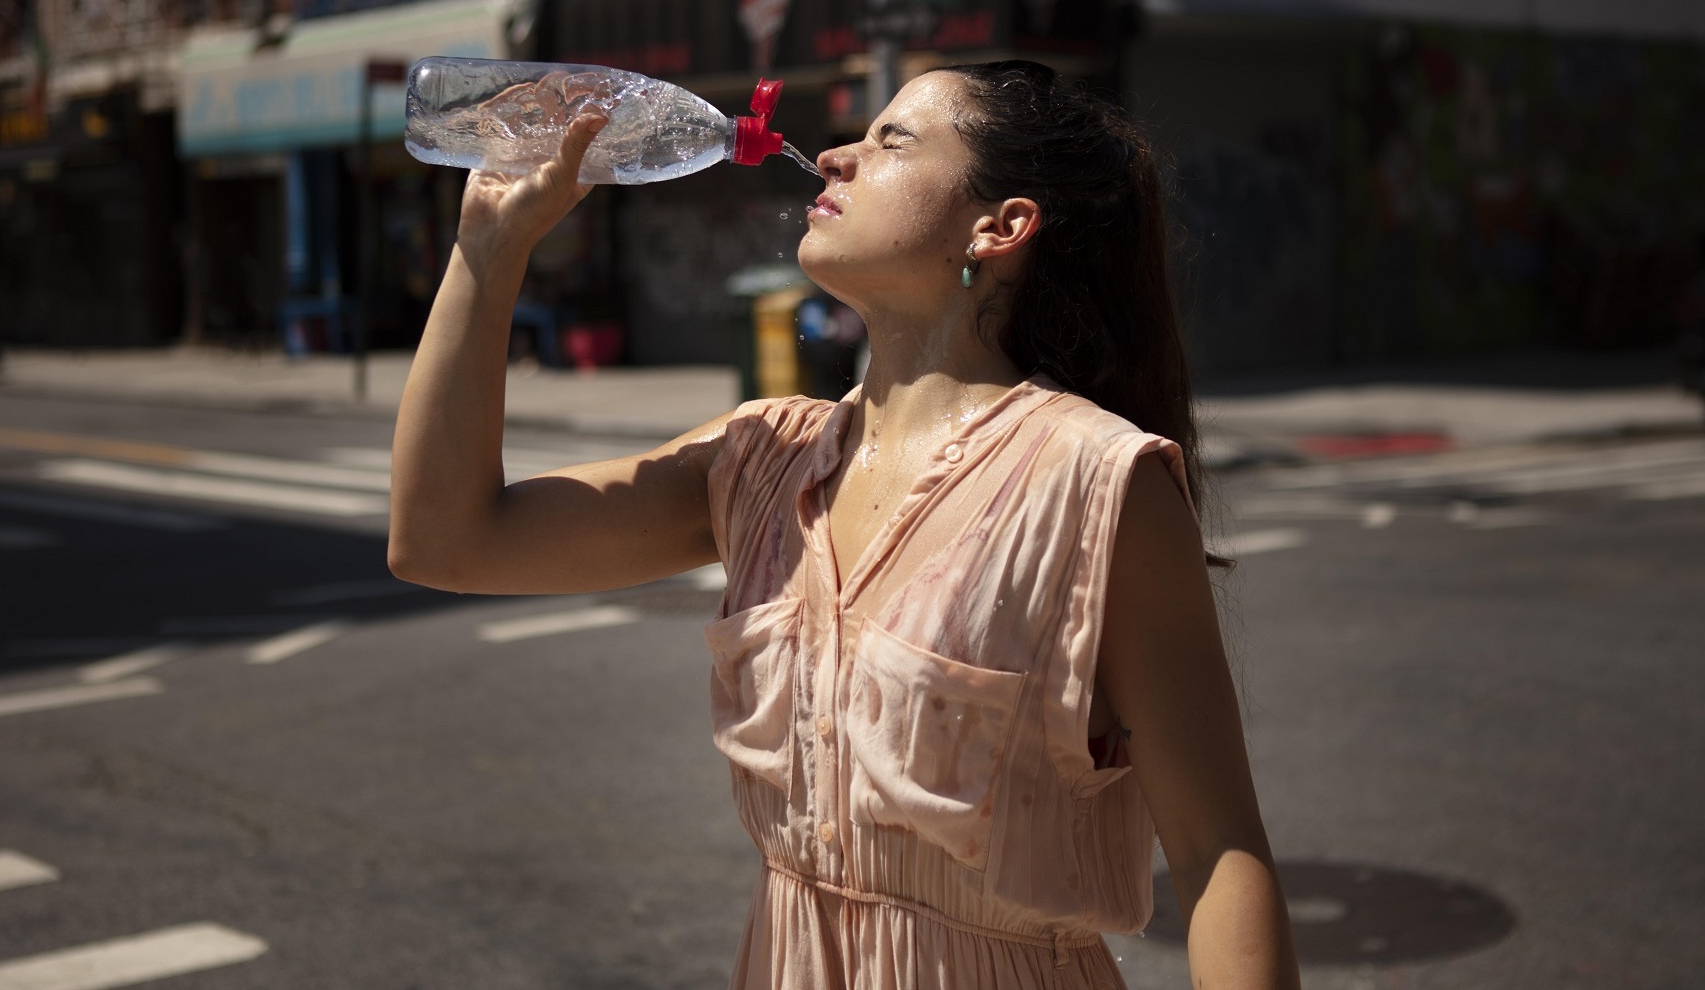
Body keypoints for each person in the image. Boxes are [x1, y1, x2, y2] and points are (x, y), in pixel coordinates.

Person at [389, 61, 1300, 990]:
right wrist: (488, 252)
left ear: (1002, 227)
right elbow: (445, 541)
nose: (832, 156)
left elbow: (1218, 849)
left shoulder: (1097, 481)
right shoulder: (756, 462)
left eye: (890, 140)